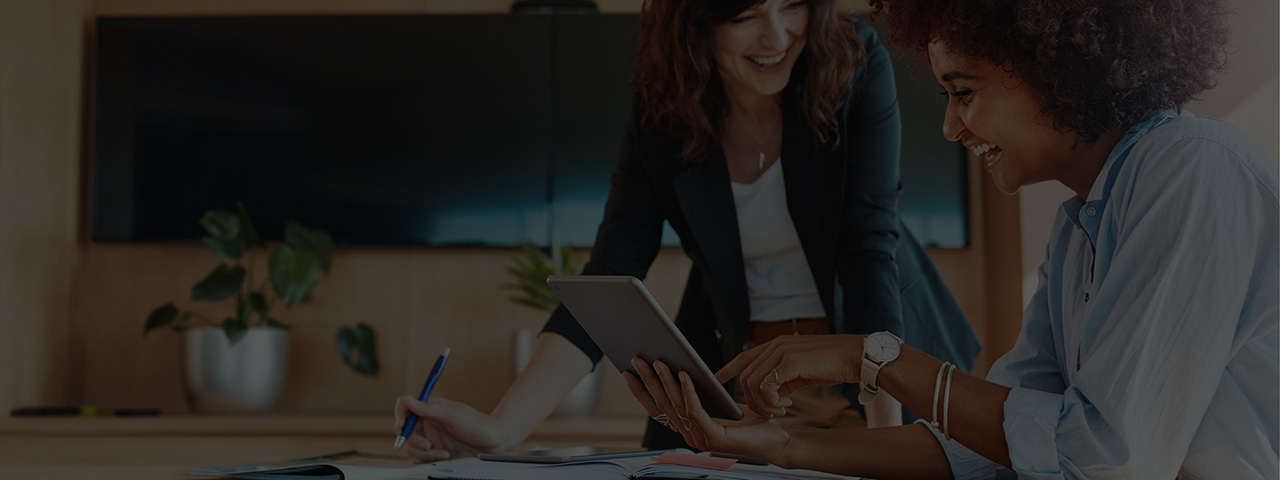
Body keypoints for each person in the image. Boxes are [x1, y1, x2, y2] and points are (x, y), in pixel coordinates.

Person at [626, 0, 1279, 478]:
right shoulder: (1079, 230)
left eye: (962, 93)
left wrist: (869, 356)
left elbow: (1104, 463)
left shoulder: (1194, 171)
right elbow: (983, 450)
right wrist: (773, 447)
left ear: (1055, 69)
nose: (949, 126)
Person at [392, 0, 982, 462]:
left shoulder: (853, 60)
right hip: (749, 388)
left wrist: (887, 439)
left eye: (792, 5)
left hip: (874, 372)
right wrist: (499, 429)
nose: (777, 36)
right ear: (696, 21)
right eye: (745, 15)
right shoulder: (664, 108)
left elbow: (867, 248)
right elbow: (608, 276)